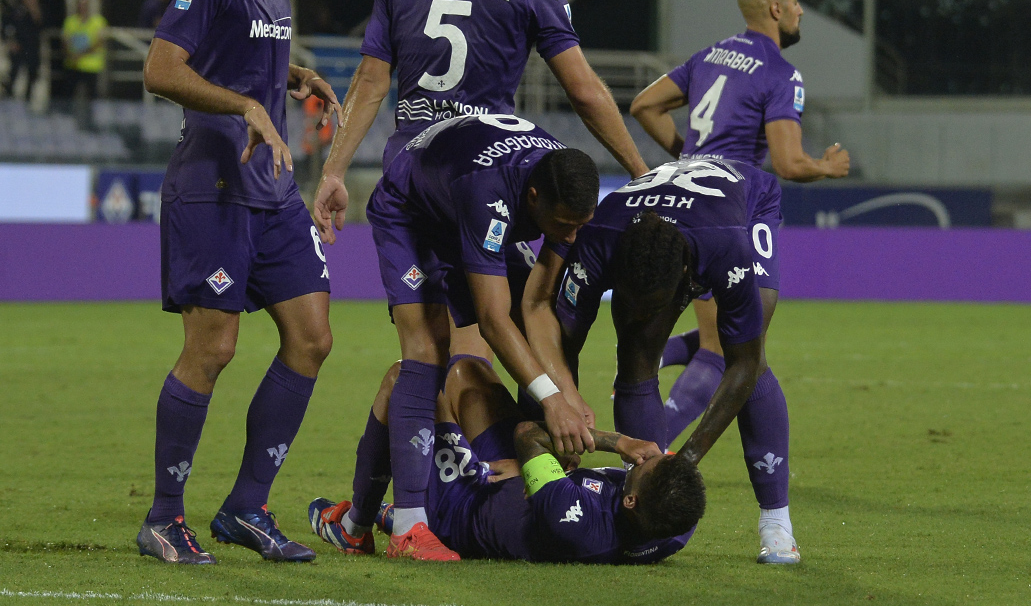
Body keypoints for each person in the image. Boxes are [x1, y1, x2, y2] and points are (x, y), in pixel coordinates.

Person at [308, 0, 647, 560]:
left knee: (434, 354)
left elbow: (370, 86)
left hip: (440, 170)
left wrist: (335, 170)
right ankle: (412, 521)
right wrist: (641, 168)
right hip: (466, 185)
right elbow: (586, 92)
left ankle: (384, 513)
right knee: (466, 344)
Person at [136, 0, 348, 564]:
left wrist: (294, 74)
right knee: (213, 350)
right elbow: (163, 69)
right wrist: (246, 105)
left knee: (312, 337)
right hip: (213, 186)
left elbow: (242, 52)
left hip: (272, 189)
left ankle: (246, 507)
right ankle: (164, 518)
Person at [327, 114, 601, 561]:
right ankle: (409, 527)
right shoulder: (490, 191)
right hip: (412, 214)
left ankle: (359, 522)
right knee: (428, 350)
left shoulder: (562, 186)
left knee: (529, 322)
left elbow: (535, 305)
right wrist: (553, 403)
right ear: (534, 199)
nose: (571, 237)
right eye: (565, 225)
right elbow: (492, 321)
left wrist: (566, 393)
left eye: (580, 226)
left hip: (459, 206)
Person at [520, 158, 798, 563]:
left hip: (744, 204)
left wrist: (683, 462)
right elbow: (561, 343)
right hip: (653, 223)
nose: (639, 313)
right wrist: (561, 405)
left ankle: (776, 521)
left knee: (747, 350)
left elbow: (743, 366)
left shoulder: (727, 248)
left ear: (686, 274)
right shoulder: (600, 237)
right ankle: (649, 503)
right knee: (634, 349)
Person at [629, 0, 848, 454]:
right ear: (774, 10)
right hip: (731, 208)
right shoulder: (780, 73)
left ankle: (666, 364)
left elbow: (644, 104)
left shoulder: (709, 56)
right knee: (728, 349)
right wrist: (826, 167)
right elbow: (788, 163)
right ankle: (649, 450)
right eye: (794, 1)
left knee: (721, 328)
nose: (799, 10)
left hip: (685, 197)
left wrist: (689, 156)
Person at [309, 354, 703, 562]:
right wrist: (533, 472)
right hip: (512, 479)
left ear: (631, 501)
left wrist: (618, 442)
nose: (641, 457)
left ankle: (355, 525)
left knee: (407, 380)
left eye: (642, 465)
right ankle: (390, 512)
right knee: (468, 372)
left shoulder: (577, 523)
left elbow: (527, 435)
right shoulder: (674, 524)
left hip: (468, 504)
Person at [61, 0, 107, 125]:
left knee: (91, 98)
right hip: (73, 65)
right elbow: (65, 41)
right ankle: (67, 121)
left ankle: (90, 122)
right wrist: (71, 55)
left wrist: (80, 55)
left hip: (91, 67)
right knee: (69, 96)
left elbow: (99, 42)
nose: (82, 7)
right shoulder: (70, 21)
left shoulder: (98, 22)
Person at [2, 0, 43, 101]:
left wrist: (35, 11)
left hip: (32, 48)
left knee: (32, 75)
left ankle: (28, 101)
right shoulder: (15, 10)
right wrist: (10, 42)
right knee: (13, 75)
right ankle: (8, 99)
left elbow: (41, 26)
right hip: (18, 47)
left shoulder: (37, 10)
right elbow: (7, 27)